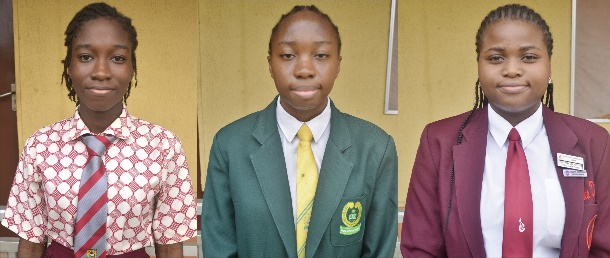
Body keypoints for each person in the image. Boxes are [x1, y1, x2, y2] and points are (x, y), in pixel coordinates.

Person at [401, 4, 610, 257]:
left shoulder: (594, 142)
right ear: (479, 64)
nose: (512, 69)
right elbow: (420, 249)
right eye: (496, 57)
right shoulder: (438, 141)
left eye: (529, 57)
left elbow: (604, 247)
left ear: (549, 64)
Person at [1, 3, 197, 258]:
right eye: (85, 57)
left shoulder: (162, 146)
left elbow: (170, 243)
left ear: (132, 68)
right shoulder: (40, 145)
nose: (101, 72)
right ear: (69, 67)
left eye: (117, 58)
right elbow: (30, 241)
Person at [200, 5, 397, 257]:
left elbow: (379, 249)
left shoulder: (376, 149)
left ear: (338, 64)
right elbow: (219, 246)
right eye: (288, 55)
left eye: (321, 55)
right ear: (270, 64)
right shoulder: (229, 145)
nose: (304, 70)